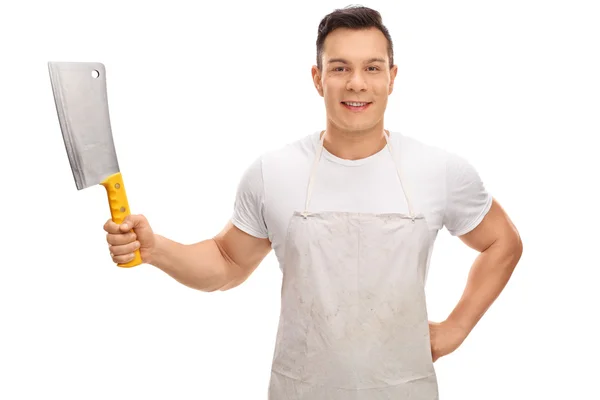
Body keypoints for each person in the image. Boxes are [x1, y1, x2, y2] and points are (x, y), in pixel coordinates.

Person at [103, 5, 523, 399]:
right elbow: (227, 262)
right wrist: (155, 249)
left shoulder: (438, 170)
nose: (356, 83)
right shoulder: (275, 172)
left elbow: (502, 241)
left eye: (371, 68)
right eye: (340, 68)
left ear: (392, 77)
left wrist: (456, 328)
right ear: (318, 78)